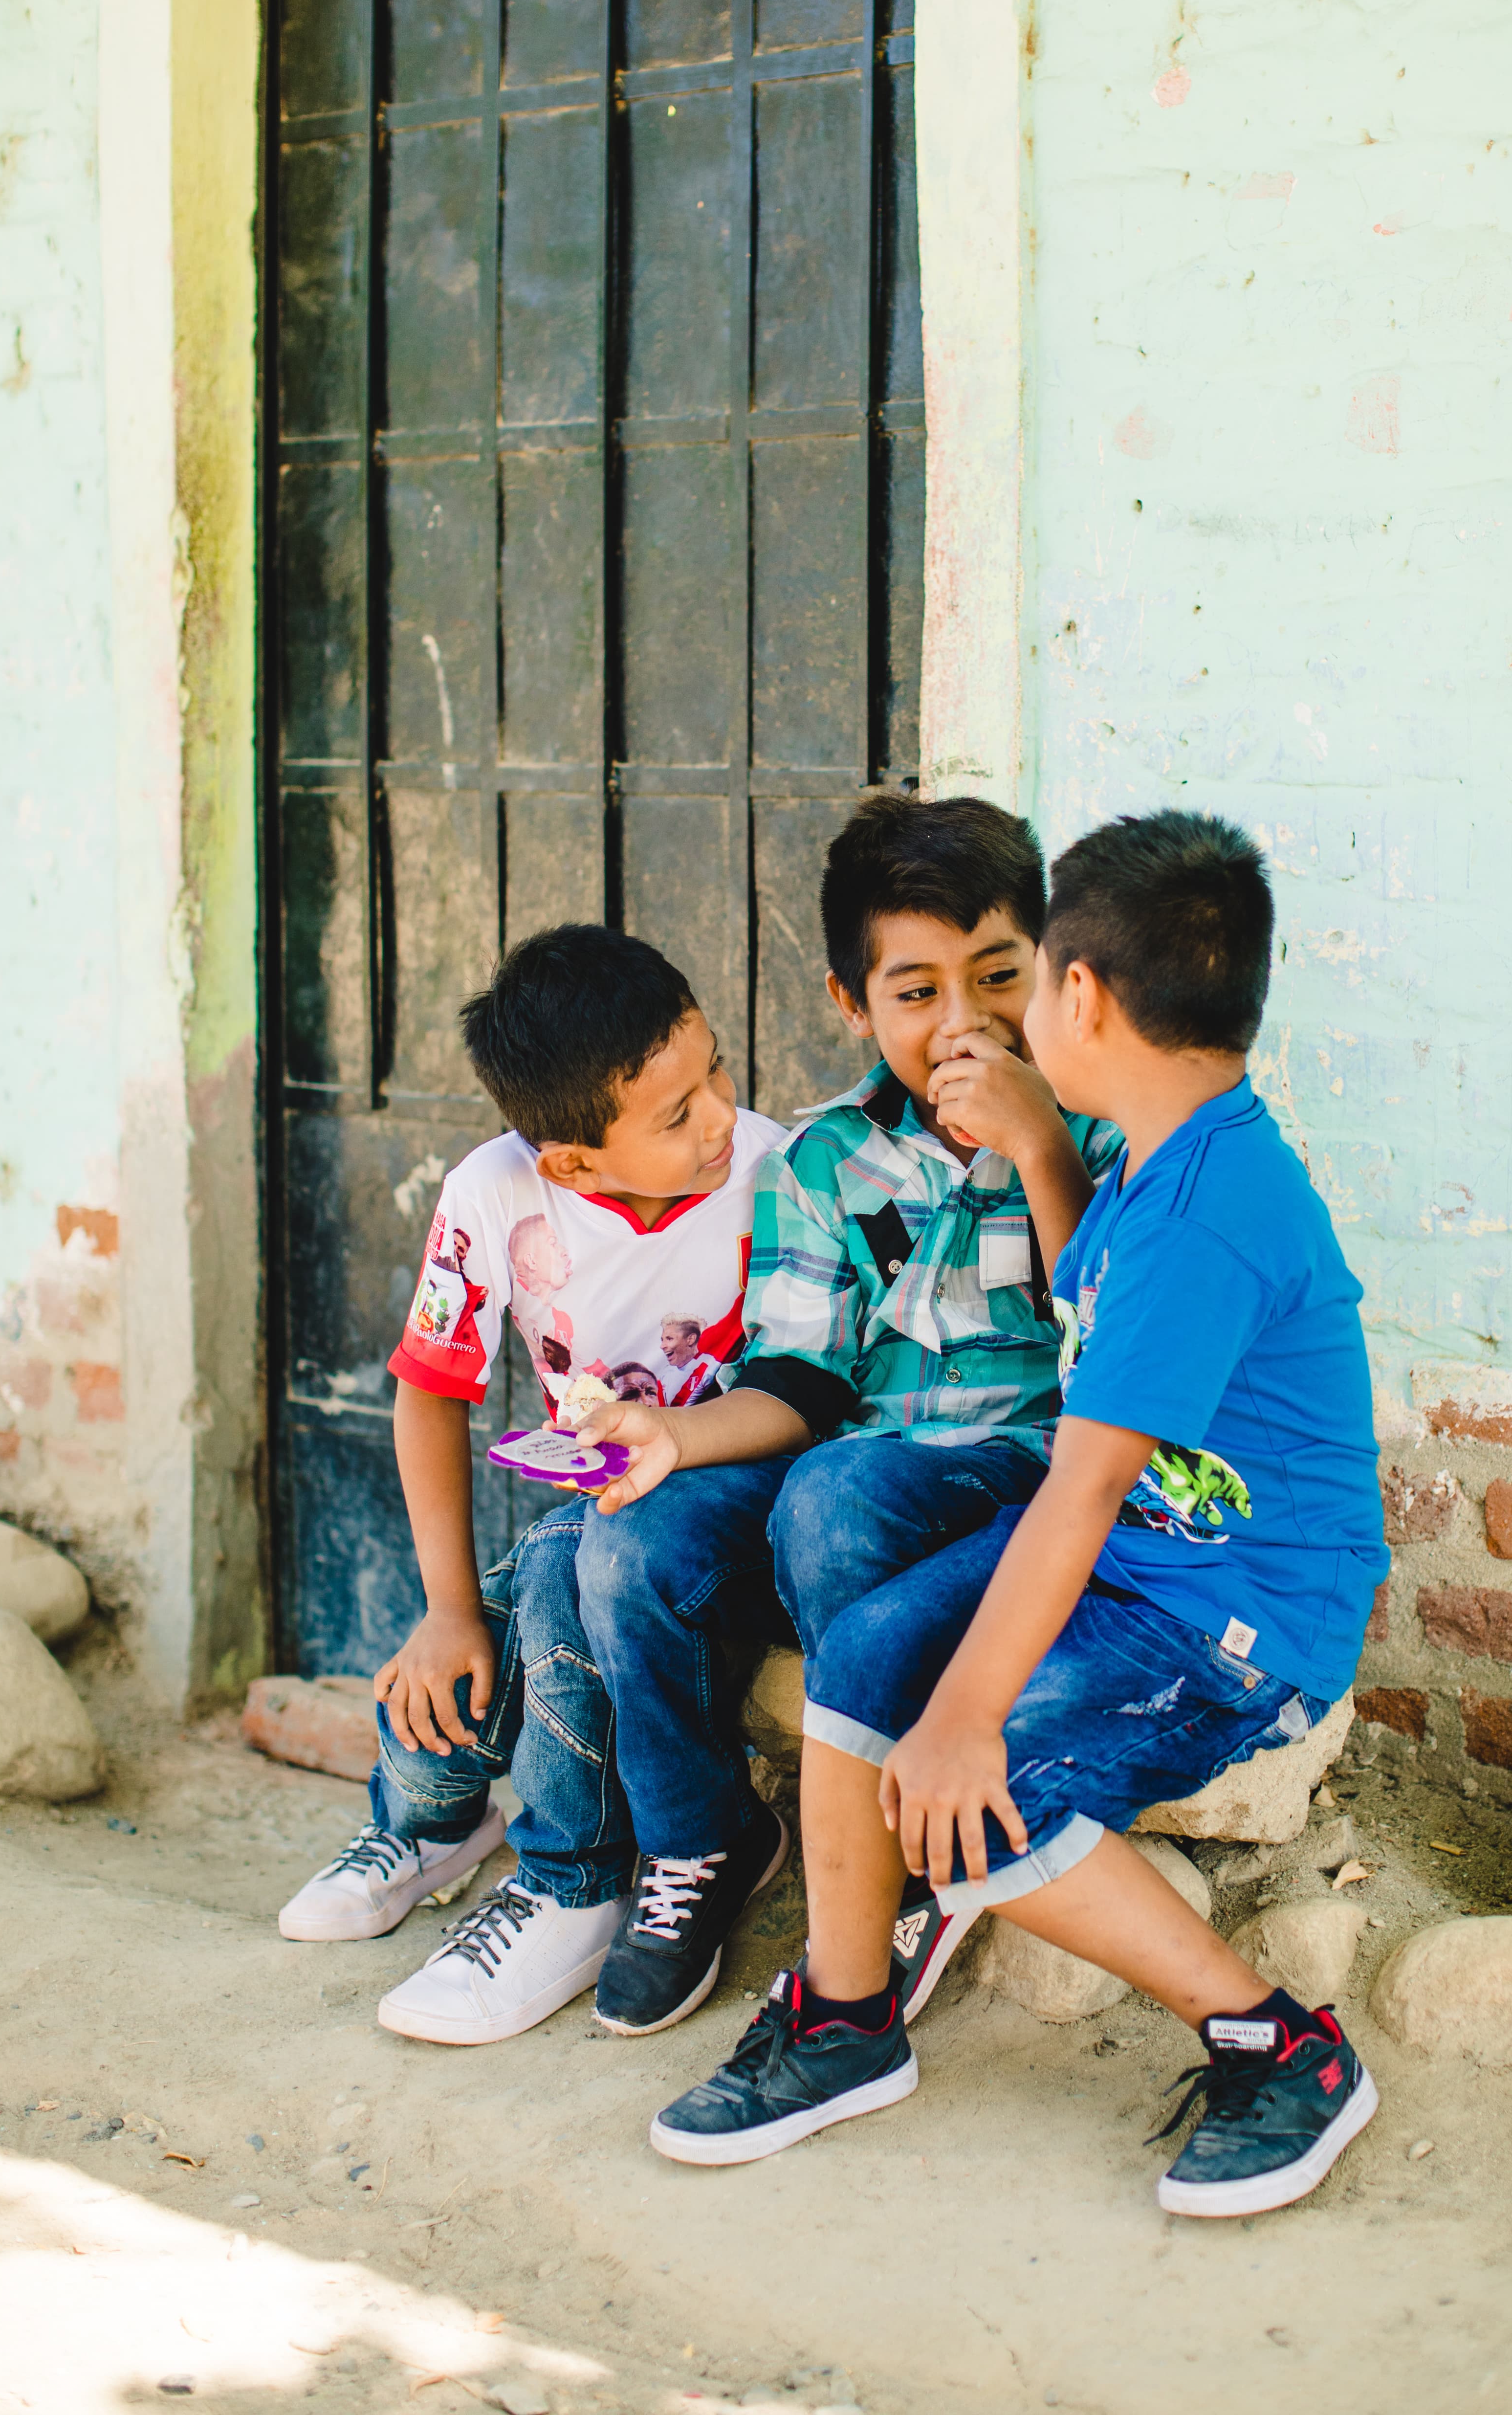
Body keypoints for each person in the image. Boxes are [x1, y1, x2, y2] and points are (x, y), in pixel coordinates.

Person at [649, 810, 1391, 2220]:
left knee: (986, 1793)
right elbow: (1084, 1394)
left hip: (1236, 1618)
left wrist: (964, 1719)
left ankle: (1278, 2044)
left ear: (1083, 998)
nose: (1001, 1015)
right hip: (1138, 1560)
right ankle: (845, 2018)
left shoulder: (1205, 1214)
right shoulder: (1156, 1155)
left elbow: (1087, 1483)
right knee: (867, 1654)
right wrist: (1047, 1149)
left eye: (1029, 978)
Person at [570, 794, 1125, 2038]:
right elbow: (804, 1385)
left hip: (1022, 1474)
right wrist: (675, 1438)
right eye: (917, 992)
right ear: (852, 1005)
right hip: (850, 1472)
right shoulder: (820, 1161)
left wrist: (1039, 1146)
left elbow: (1111, 1345)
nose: (965, 1022)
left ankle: (907, 1858)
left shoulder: (1101, 1127)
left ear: (1052, 967)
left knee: (838, 1496)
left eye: (999, 977)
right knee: (628, 1541)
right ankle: (703, 1841)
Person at [275, 922, 785, 2048]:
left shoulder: (777, 1175)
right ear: (571, 1164)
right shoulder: (496, 1194)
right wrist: (446, 1610)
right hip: (602, 1505)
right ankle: (432, 1821)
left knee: (557, 1567)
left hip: (722, 1514)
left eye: (717, 1073)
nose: (720, 1118)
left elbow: (816, 1394)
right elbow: (428, 1391)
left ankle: (571, 1882)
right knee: (477, 1622)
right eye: (676, 1114)